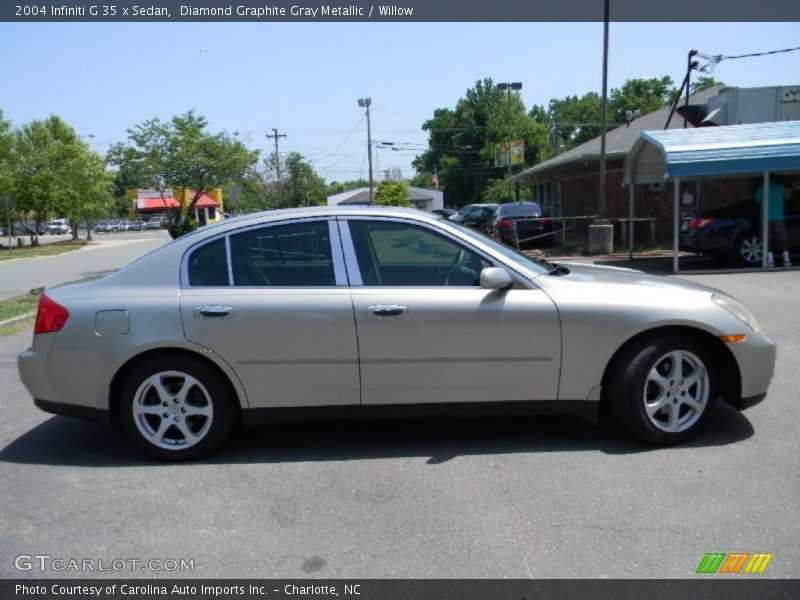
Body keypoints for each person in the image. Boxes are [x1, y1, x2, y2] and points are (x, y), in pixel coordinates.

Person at [755, 176, 791, 267]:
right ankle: (786, 259)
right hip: (779, 215)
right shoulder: (780, 187)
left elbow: (758, 201)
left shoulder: (760, 190)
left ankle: (770, 260)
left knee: (767, 239)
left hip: (765, 217)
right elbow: (787, 196)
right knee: (782, 237)